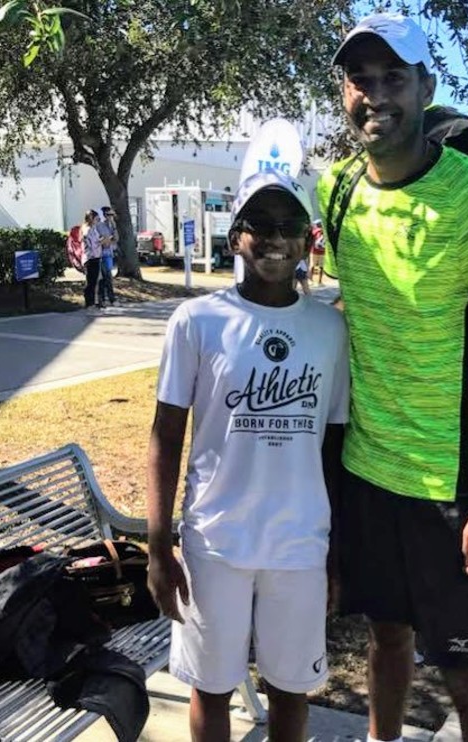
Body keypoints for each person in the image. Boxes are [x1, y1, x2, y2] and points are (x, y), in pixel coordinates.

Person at [317, 13, 468, 742]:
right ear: (342, 91)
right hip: (368, 476)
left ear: (427, 87)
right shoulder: (338, 192)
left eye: (394, 79)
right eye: (361, 79)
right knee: (388, 643)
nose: (375, 96)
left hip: (454, 487)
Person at [146, 169, 350, 742]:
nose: (274, 238)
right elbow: (165, 436)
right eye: (260, 224)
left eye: (289, 225)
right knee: (210, 689)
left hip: (299, 546)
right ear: (237, 235)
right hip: (215, 543)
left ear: (310, 239)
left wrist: (337, 549)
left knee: (291, 693)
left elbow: (333, 446)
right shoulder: (197, 322)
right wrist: (160, 547)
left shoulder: (329, 331)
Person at [80, 209, 103, 310]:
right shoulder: (87, 230)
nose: (97, 220)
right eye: (96, 218)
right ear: (91, 218)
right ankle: (89, 303)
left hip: (96, 257)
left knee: (94, 281)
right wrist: (102, 241)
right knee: (90, 281)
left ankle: (93, 302)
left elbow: (97, 240)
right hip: (90, 258)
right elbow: (93, 245)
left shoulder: (94, 229)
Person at [97, 206, 118, 307]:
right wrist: (107, 240)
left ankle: (105, 298)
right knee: (106, 277)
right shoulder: (99, 225)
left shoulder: (111, 225)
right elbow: (102, 241)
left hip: (109, 254)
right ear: (103, 215)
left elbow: (116, 239)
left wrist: (114, 227)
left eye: (112, 215)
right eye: (108, 215)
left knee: (107, 277)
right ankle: (108, 298)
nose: (110, 217)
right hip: (101, 254)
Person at [309, 219, 326, 285]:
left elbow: (310, 240)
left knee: (312, 266)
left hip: (314, 251)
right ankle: (320, 281)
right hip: (322, 252)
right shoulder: (324, 232)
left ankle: (311, 280)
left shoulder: (314, 232)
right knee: (321, 267)